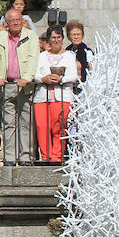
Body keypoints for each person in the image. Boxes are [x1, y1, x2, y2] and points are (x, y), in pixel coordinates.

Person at [0, 8, 39, 165]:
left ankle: (26, 157)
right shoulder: (0, 37)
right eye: (12, 21)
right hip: (7, 85)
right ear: (6, 23)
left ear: (23, 21)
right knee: (8, 123)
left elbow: (33, 58)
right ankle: (10, 157)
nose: (16, 23)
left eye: (18, 20)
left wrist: (27, 77)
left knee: (26, 122)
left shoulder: (30, 36)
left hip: (26, 85)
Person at [34, 26, 77, 163]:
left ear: (63, 39)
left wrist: (62, 79)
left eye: (59, 37)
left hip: (62, 96)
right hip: (42, 97)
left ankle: (56, 157)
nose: (56, 40)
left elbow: (74, 76)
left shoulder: (69, 56)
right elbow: (33, 74)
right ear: (48, 40)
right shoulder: (41, 56)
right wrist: (43, 78)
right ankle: (45, 157)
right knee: (42, 127)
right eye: (53, 38)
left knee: (59, 126)